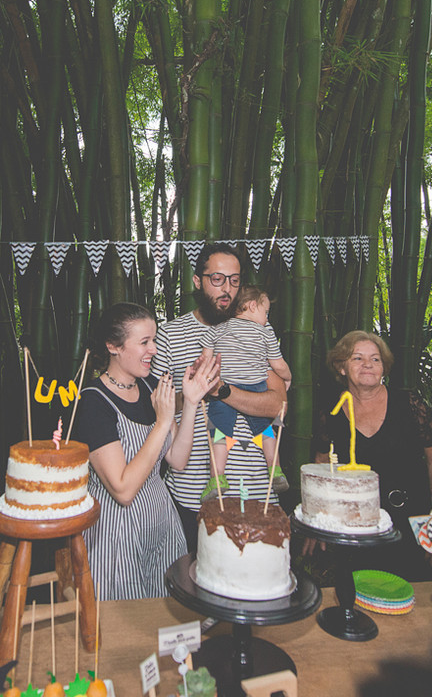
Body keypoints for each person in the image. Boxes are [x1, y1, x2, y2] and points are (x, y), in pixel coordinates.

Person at [73, 302, 217, 599]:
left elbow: (178, 459)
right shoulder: (93, 402)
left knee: (164, 611)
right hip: (117, 531)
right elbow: (123, 490)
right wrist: (162, 422)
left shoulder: (152, 386)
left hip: (161, 522)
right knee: (124, 618)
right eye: (144, 342)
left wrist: (191, 402)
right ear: (114, 346)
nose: (154, 349)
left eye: (154, 340)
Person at [152, 242, 286, 552]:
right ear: (197, 281)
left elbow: (278, 405)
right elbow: (156, 408)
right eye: (217, 279)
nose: (227, 289)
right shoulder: (170, 335)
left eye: (235, 280)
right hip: (191, 492)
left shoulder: (257, 329)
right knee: (192, 576)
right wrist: (194, 392)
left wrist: (222, 391)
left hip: (257, 491)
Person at [312, 330, 432, 579]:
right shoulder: (331, 412)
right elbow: (321, 464)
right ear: (341, 367)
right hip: (357, 528)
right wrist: (318, 520)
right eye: (358, 358)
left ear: (383, 368)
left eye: (375, 359)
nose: (368, 364)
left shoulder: (409, 404)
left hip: (411, 522)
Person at [199, 286, 292, 485]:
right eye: (266, 312)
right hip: (256, 387)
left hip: (224, 387)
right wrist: (288, 377)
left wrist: (207, 377)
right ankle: (275, 470)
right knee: (266, 431)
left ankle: (217, 478)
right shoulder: (265, 332)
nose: (266, 319)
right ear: (252, 306)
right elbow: (278, 365)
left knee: (219, 433)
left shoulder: (218, 328)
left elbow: (205, 359)